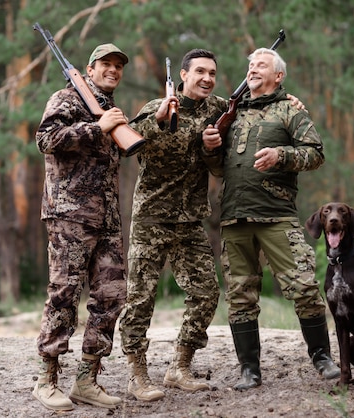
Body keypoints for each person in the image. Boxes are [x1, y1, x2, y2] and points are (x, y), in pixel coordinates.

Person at [202, 48, 340, 391]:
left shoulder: (290, 110)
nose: (252, 70)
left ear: (279, 76)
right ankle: (249, 368)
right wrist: (208, 147)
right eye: (249, 65)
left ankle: (322, 357)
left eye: (261, 65)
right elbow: (218, 164)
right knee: (239, 295)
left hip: (276, 215)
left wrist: (281, 155)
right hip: (233, 217)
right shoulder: (230, 112)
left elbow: (316, 153)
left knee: (304, 288)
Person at [118, 49, 225, 401]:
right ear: (183, 75)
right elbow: (127, 142)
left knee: (207, 292)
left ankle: (180, 367)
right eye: (200, 72)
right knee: (140, 299)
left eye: (212, 73)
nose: (207, 78)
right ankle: (137, 374)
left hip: (191, 219)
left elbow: (253, 106)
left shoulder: (217, 109)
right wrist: (159, 121)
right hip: (151, 218)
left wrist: (289, 102)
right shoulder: (157, 107)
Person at [33, 44, 131, 411]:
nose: (113, 70)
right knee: (64, 295)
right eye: (106, 64)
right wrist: (96, 128)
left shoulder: (110, 108)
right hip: (69, 215)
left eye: (118, 65)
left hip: (107, 219)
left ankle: (87, 380)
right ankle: (47, 379)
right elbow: (46, 140)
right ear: (90, 69)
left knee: (112, 296)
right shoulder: (65, 99)